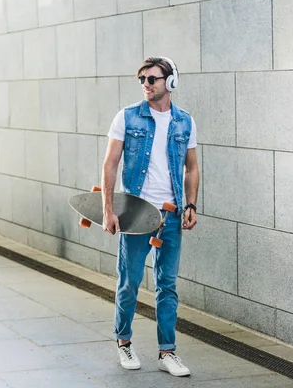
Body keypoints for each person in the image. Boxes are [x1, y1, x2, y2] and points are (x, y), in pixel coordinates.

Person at [101, 57, 199, 377]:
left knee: (167, 285)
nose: (146, 83)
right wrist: (108, 209)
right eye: (142, 78)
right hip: (136, 213)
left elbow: (192, 167)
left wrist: (191, 205)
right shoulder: (127, 117)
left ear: (170, 83)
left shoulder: (184, 122)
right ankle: (124, 342)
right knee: (129, 283)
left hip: (171, 215)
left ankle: (167, 352)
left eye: (152, 79)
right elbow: (110, 165)